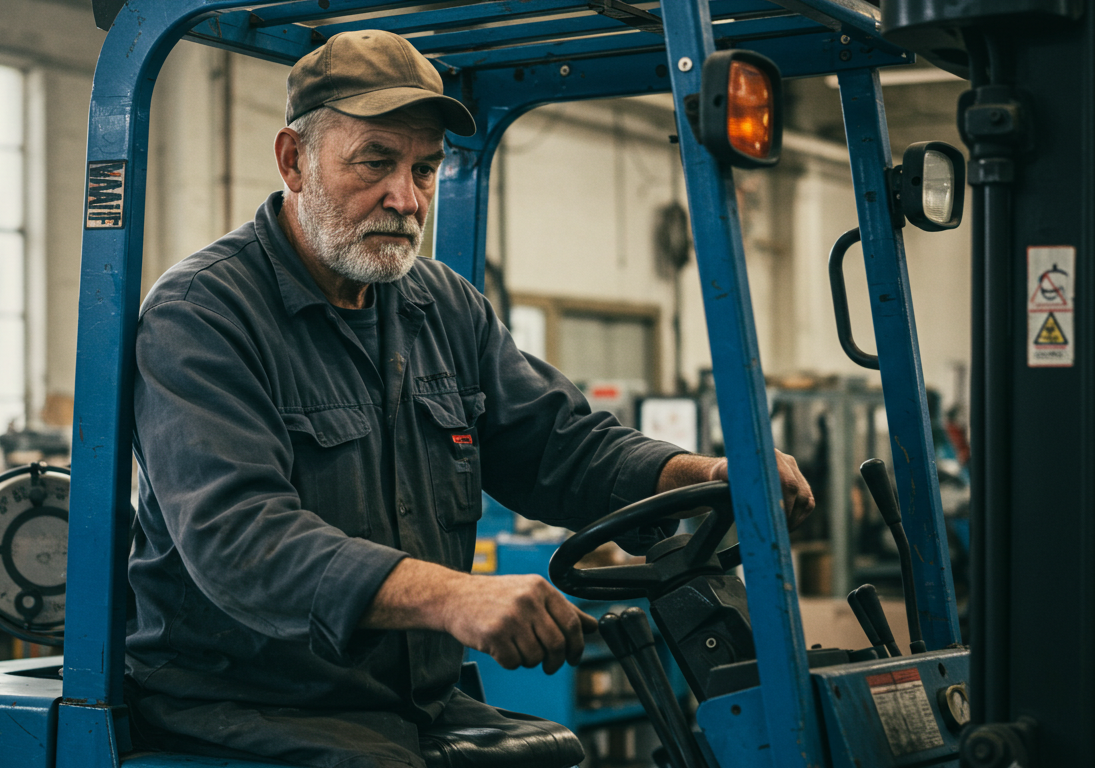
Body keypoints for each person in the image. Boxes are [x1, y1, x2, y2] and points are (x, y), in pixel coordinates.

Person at [126, 29, 814, 768]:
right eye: (377, 163)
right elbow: (240, 537)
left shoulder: (439, 305)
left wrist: (700, 476)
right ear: (294, 160)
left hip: (407, 699)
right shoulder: (203, 315)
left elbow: (558, 446)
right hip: (243, 701)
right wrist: (455, 598)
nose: (406, 197)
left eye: (425, 169)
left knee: (563, 756)